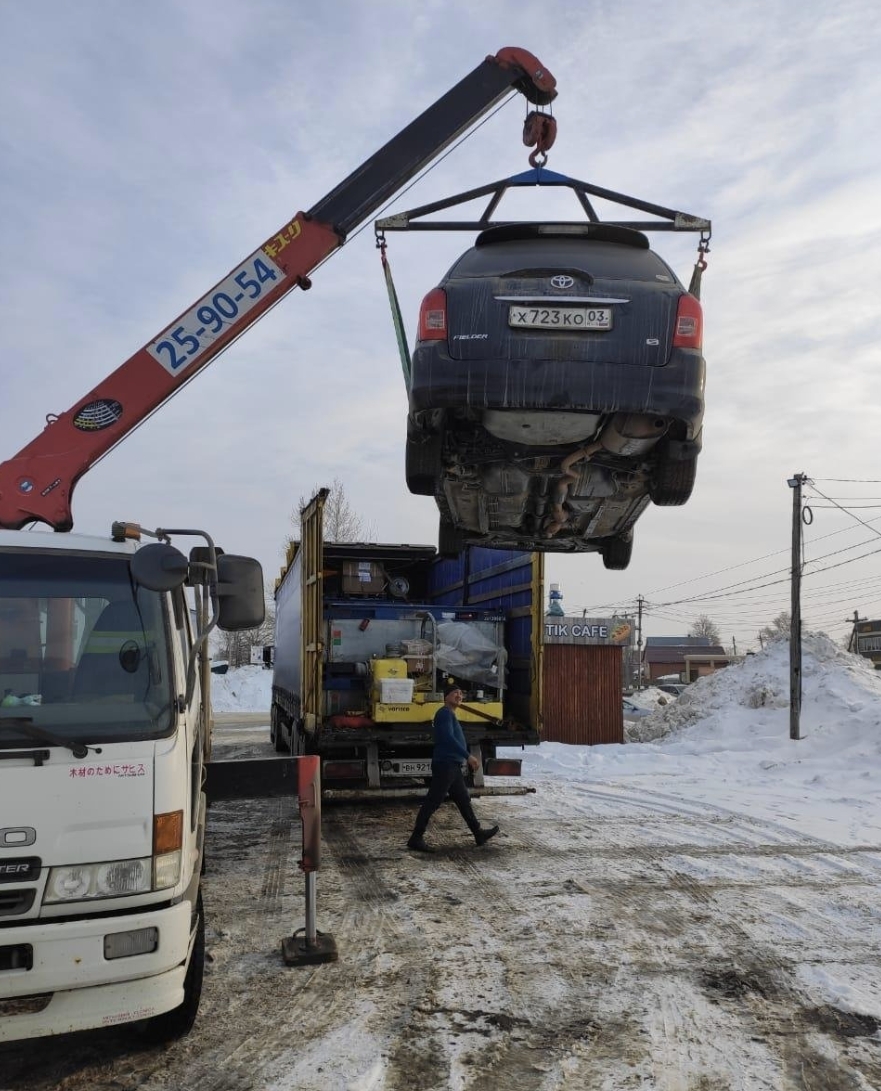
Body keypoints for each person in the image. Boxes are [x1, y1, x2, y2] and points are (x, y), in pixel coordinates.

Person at [407, 681, 499, 853]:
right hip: (445, 764)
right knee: (433, 801)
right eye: (455, 693)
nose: (459, 696)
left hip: (452, 766)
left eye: (461, 693)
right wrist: (468, 756)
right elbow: (448, 739)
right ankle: (416, 838)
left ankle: (478, 833)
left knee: (463, 800)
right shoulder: (444, 714)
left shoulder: (449, 714)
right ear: (446, 697)